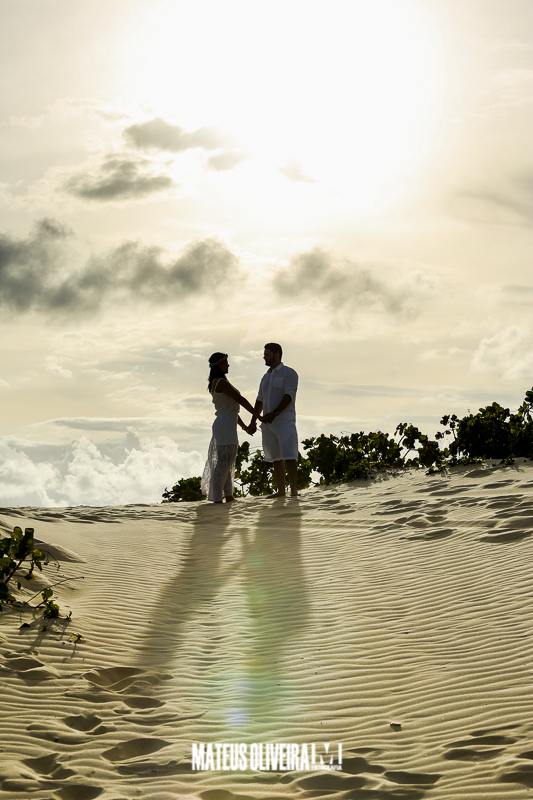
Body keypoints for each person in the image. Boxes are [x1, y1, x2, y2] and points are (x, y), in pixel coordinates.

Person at [201, 352, 256, 503]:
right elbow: (241, 400)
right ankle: (217, 497)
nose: (228, 365)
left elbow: (232, 410)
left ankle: (229, 496)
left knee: (228, 460)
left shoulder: (220, 381)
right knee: (223, 462)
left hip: (227, 423)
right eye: (226, 362)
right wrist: (258, 415)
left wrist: (244, 427)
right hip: (225, 424)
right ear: (219, 365)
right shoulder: (221, 382)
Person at [248, 343, 299, 498]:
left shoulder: (288, 373)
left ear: (277, 355)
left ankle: (294, 491)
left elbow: (289, 396)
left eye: (267, 354)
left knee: (289, 455)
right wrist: (253, 421)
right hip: (268, 424)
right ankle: (281, 491)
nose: (264, 357)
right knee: (276, 457)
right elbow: (260, 400)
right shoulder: (265, 377)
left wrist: (275, 413)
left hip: (284, 421)